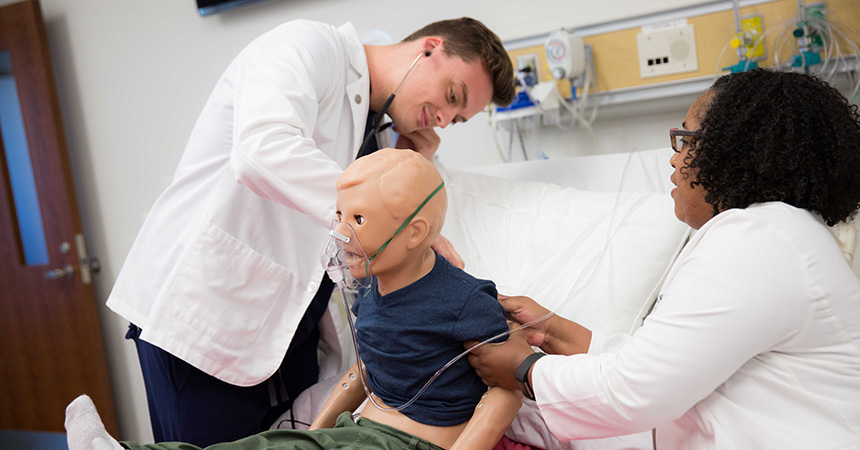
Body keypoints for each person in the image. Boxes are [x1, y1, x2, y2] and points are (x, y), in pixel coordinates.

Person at [105, 16, 515, 446]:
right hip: (207, 306)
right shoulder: (310, 46)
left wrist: (411, 162)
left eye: (458, 118)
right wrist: (381, 214)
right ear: (429, 47)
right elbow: (261, 147)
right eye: (452, 96)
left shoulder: (381, 134)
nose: (445, 119)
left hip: (285, 335)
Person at [467, 69, 860, 449]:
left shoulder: (759, 237)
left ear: (732, 148)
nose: (674, 160)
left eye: (686, 140)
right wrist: (551, 332)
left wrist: (522, 370)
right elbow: (662, 367)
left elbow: (634, 391)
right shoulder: (780, 234)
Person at [67, 148, 522, 450]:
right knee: (260, 445)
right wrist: (315, 433)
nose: (341, 233)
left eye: (359, 219)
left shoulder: (465, 301)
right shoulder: (367, 289)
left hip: (414, 443)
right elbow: (364, 370)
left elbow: (505, 390)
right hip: (360, 433)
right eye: (339, 214)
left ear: (416, 232)